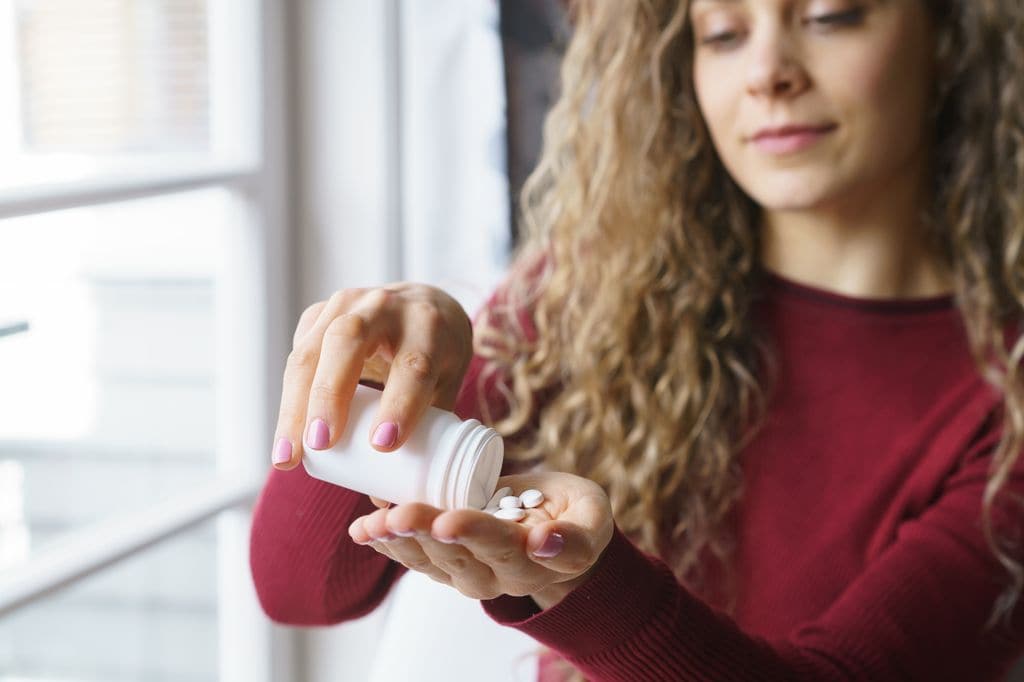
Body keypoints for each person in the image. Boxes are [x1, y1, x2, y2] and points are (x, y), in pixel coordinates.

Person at [249, 0, 1024, 679]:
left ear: (950, 35)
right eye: (722, 33)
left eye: (828, 17)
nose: (768, 72)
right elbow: (298, 592)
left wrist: (584, 587)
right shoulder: (598, 292)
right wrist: (377, 387)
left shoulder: (1004, 398)